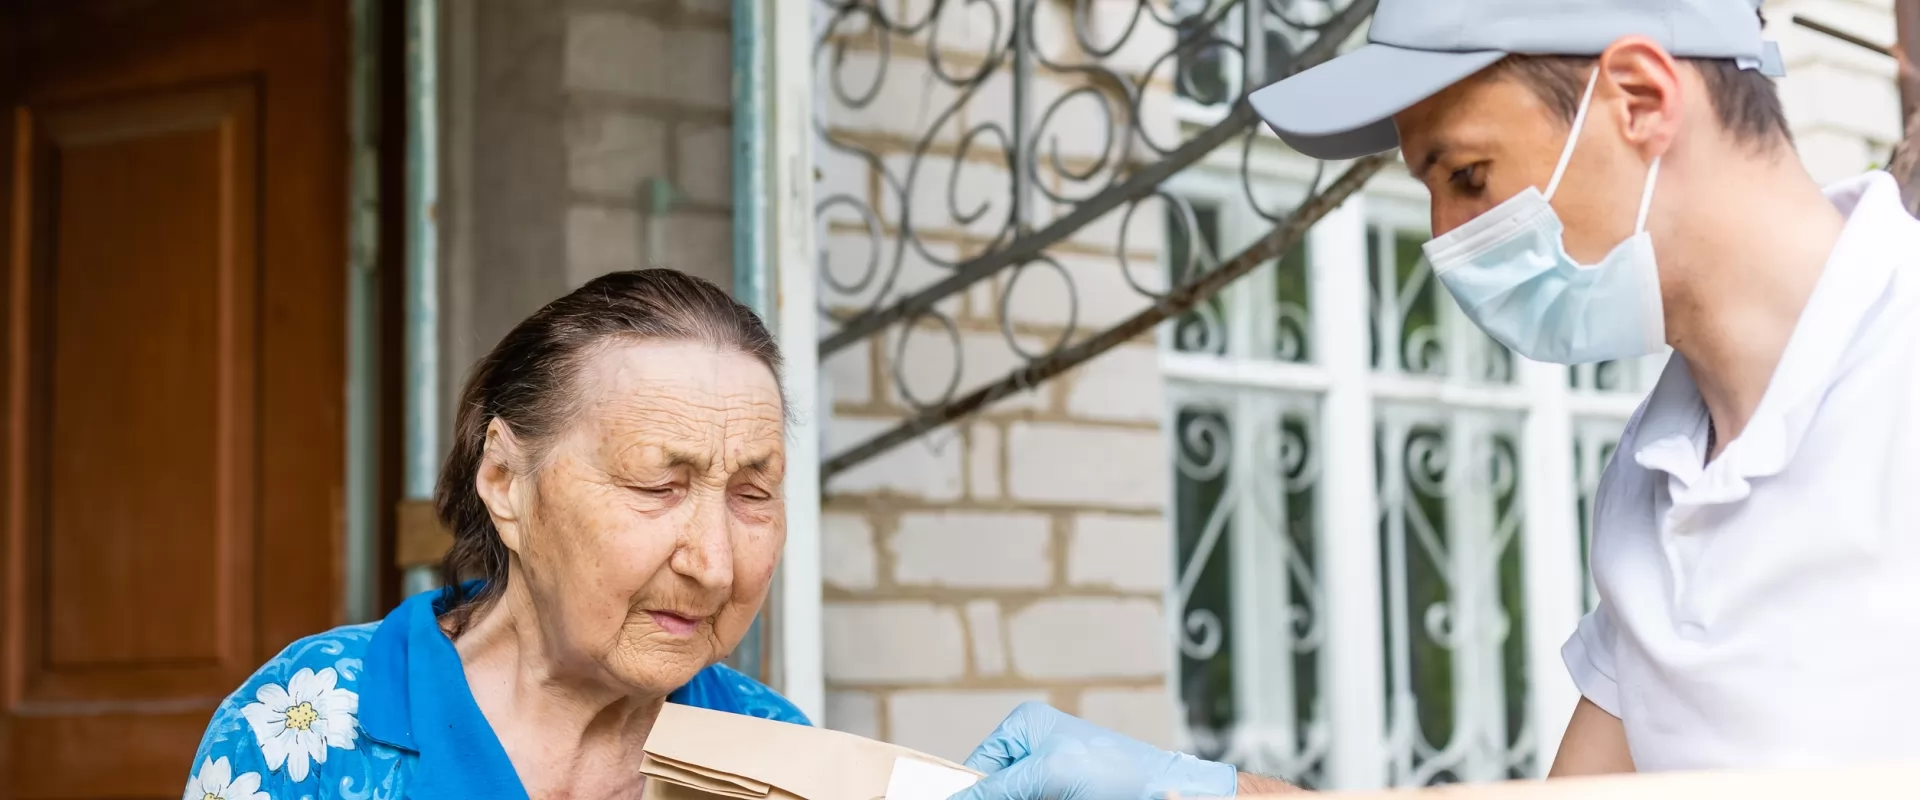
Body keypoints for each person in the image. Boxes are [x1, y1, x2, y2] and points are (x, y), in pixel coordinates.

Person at [952, 0, 1920, 797]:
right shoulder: (1657, 465)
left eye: (1468, 175)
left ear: (1639, 96)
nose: (1446, 236)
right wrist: (1188, 791)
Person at [183, 270, 807, 799]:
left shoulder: (783, 757)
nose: (715, 566)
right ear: (507, 481)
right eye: (655, 486)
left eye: (752, 496)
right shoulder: (307, 725)